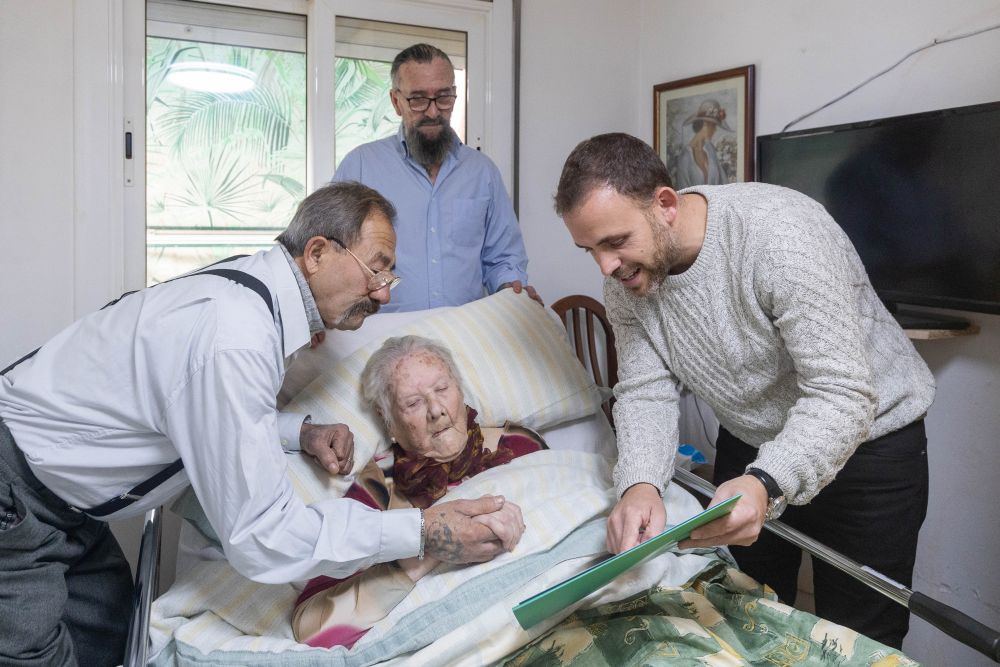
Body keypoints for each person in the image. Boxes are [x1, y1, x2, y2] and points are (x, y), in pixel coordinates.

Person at [0, 183, 519, 667]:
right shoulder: (236, 335)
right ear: (317, 254)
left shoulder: (249, 298)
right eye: (376, 270)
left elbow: (203, 406)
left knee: (114, 631)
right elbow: (261, 538)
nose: (384, 294)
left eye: (389, 276)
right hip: (19, 490)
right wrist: (423, 532)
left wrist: (300, 434)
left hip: (65, 499)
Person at [552, 132, 935, 649]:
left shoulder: (779, 236)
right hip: (752, 439)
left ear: (665, 204)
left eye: (615, 241)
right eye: (590, 249)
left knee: (858, 641)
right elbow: (644, 390)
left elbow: (842, 393)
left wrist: (768, 482)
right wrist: (641, 483)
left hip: (870, 446)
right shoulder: (626, 282)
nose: (605, 266)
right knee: (748, 617)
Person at [292, 335, 544, 648]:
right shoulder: (377, 490)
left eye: (442, 389)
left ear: (460, 390)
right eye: (413, 403)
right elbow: (311, 629)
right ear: (390, 423)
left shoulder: (518, 445)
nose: (437, 410)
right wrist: (430, 549)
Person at [333, 43, 541, 312]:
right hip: (383, 338)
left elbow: (502, 257)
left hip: (463, 333)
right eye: (418, 99)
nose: (433, 112)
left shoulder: (482, 172)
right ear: (396, 101)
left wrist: (511, 289)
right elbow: (331, 252)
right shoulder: (360, 166)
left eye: (444, 97)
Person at [674, 98, 731, 188]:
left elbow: (724, 182)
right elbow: (682, 192)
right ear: (705, 124)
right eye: (713, 126)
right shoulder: (685, 157)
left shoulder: (710, 149)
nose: (715, 130)